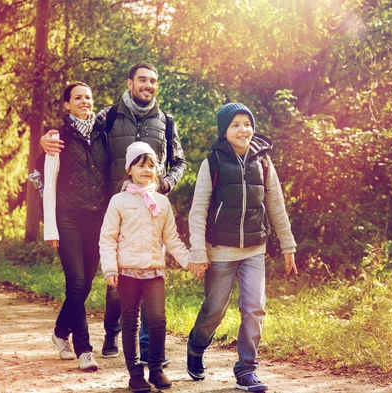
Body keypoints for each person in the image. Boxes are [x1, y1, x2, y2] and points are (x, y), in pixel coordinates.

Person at [40, 62, 187, 362]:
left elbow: (179, 162)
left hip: (148, 210)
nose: (148, 85)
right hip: (111, 209)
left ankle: (147, 349)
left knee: (149, 272)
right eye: (142, 80)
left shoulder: (166, 121)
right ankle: (108, 336)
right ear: (130, 83)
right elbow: (73, 138)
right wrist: (44, 141)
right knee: (110, 278)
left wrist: (165, 186)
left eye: (153, 81)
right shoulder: (107, 117)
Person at [185, 103, 298, 392]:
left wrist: (288, 245)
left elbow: (275, 205)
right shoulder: (213, 162)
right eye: (235, 124)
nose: (243, 129)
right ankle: (196, 346)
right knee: (214, 310)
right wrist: (198, 252)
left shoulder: (263, 161)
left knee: (255, 308)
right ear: (224, 131)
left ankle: (247, 369)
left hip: (254, 249)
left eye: (247, 123)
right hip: (221, 250)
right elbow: (198, 210)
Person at [99, 141, 205, 392]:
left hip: (154, 271)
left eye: (152, 165)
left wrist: (189, 262)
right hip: (126, 272)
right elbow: (107, 238)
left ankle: (156, 369)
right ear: (129, 169)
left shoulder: (162, 203)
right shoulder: (119, 201)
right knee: (130, 321)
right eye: (141, 165)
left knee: (157, 320)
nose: (147, 170)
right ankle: (135, 373)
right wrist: (110, 269)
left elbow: (172, 239)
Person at [44, 81, 109, 372]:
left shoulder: (102, 134)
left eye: (88, 97)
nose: (85, 101)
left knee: (85, 286)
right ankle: (84, 350)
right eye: (78, 98)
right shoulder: (57, 137)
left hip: (97, 219)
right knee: (77, 283)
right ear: (67, 104)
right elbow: (45, 182)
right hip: (67, 218)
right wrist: (51, 229)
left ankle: (60, 331)